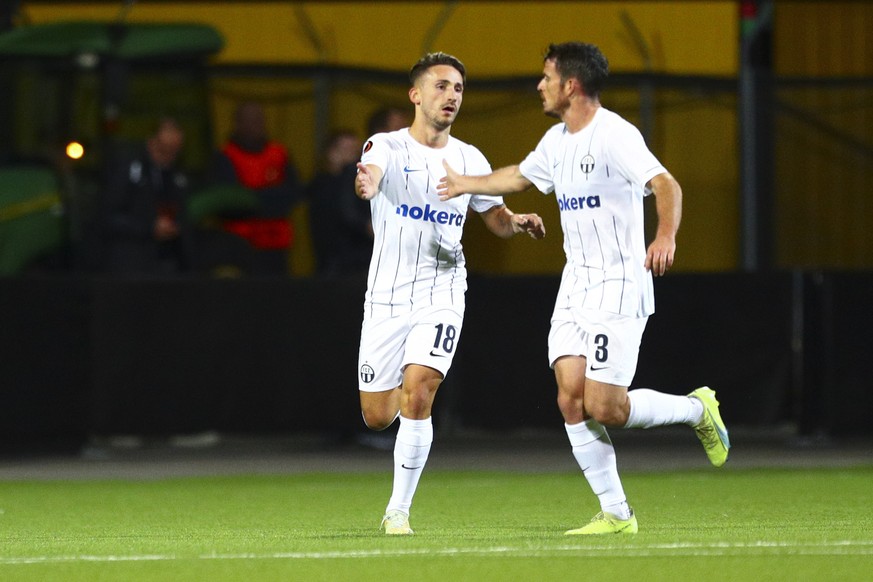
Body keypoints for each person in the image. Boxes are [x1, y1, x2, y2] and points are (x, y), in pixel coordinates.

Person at [438, 42, 730, 535]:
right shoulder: (556, 141)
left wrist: (664, 235)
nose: (540, 85)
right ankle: (617, 514)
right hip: (575, 285)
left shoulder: (615, 134)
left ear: (570, 85)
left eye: (546, 77)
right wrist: (467, 183)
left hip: (619, 284)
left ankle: (696, 409)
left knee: (605, 408)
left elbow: (666, 185)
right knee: (570, 398)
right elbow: (518, 178)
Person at [355, 52, 546, 535]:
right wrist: (367, 181)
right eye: (441, 86)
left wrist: (516, 222)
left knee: (419, 392)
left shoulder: (469, 158)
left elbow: (494, 218)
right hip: (386, 296)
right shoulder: (388, 146)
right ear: (416, 94)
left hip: (443, 290)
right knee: (377, 416)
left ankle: (397, 511)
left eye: (458, 89)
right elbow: (372, 171)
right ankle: (404, 424)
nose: (452, 96)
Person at [211, 101, 302, 275]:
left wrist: (257, 198)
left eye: (259, 120)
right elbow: (229, 201)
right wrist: (265, 198)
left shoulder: (279, 153)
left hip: (277, 242)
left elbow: (293, 193)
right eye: (249, 120)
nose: (256, 125)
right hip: (239, 244)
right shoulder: (225, 155)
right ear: (237, 123)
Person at [102, 117, 192, 276]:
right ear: (152, 143)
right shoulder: (129, 169)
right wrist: (149, 227)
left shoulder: (176, 175)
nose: (169, 156)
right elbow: (108, 216)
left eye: (174, 151)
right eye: (164, 150)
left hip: (165, 261)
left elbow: (183, 213)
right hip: (130, 263)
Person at [307, 129, 372, 277]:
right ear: (330, 153)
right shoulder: (323, 185)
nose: (352, 156)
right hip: (335, 262)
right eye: (346, 149)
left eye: (355, 151)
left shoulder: (357, 182)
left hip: (356, 259)